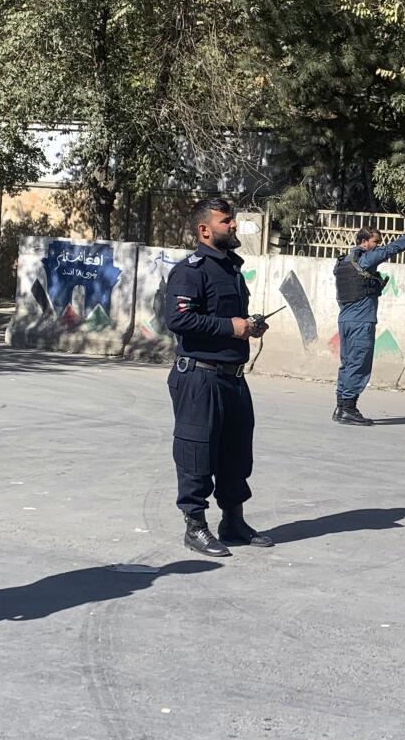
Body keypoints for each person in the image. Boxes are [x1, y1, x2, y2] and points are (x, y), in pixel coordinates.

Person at [164, 198, 272, 557]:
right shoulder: (190, 271)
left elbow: (229, 322)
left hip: (232, 376)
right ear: (205, 230)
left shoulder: (231, 269)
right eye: (227, 221)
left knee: (236, 452)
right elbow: (179, 321)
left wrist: (249, 327)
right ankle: (195, 526)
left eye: (234, 220)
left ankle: (233, 521)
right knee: (196, 451)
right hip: (200, 376)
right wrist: (231, 326)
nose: (234, 226)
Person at [332, 217, 405, 425]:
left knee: (348, 364)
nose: (378, 246)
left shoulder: (342, 263)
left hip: (346, 320)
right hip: (361, 321)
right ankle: (348, 408)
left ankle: (341, 408)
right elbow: (393, 249)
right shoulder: (365, 260)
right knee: (358, 364)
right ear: (364, 242)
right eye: (375, 242)